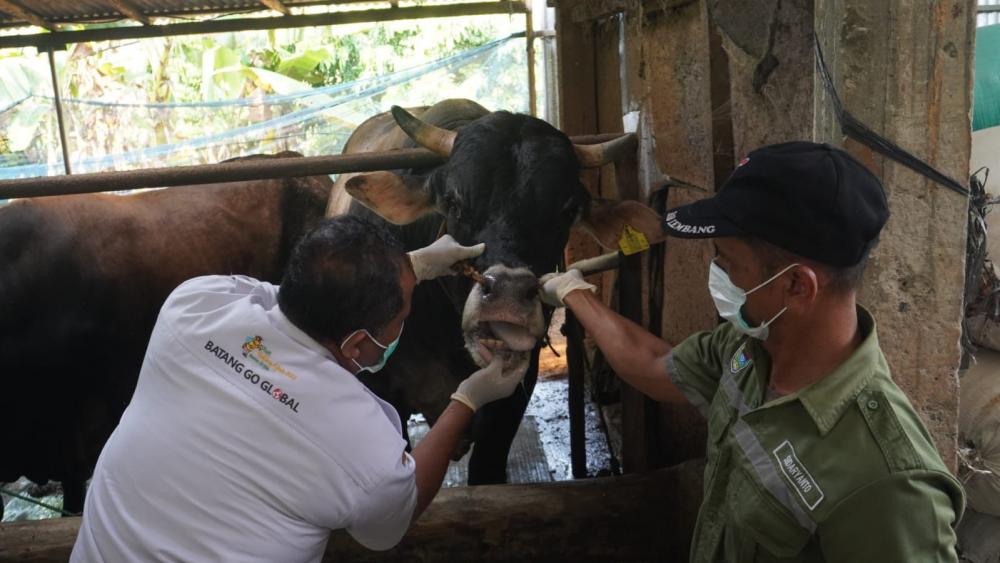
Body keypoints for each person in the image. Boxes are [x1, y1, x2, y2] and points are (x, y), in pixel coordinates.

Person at [541, 142, 965, 562]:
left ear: (797, 286)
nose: (718, 275)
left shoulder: (886, 484)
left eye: (727, 262)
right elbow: (652, 365)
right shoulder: (748, 349)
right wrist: (573, 293)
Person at [70, 215, 527, 562]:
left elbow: (283, 295)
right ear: (358, 344)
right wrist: (468, 398)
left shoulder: (191, 306)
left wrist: (411, 267)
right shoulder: (358, 438)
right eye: (402, 315)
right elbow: (398, 513)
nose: (404, 322)